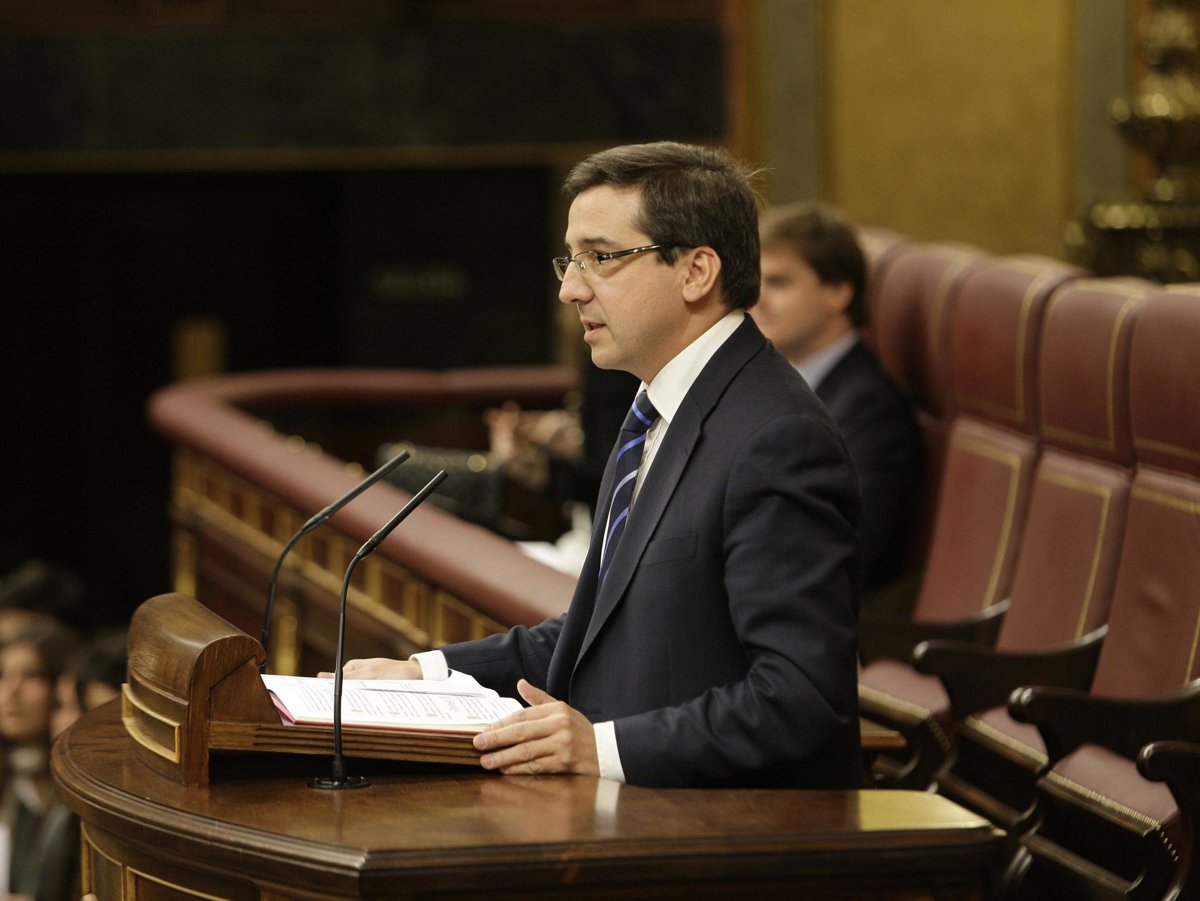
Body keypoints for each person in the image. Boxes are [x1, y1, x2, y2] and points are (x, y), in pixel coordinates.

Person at [330, 142, 862, 789]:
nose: (570, 288)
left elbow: (801, 696)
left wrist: (600, 748)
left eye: (601, 258)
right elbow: (604, 630)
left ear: (696, 271)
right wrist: (429, 672)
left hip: (722, 826)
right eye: (570, 259)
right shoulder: (657, 409)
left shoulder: (776, 436)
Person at [753, 201, 922, 596]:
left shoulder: (871, 409)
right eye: (754, 281)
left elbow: (844, 553)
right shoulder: (771, 382)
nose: (757, 299)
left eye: (778, 282)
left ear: (838, 292)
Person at [0, 620, 81, 901]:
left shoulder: (78, 788)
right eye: (2, 675)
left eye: (31, 676)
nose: (11, 690)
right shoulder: (13, 776)